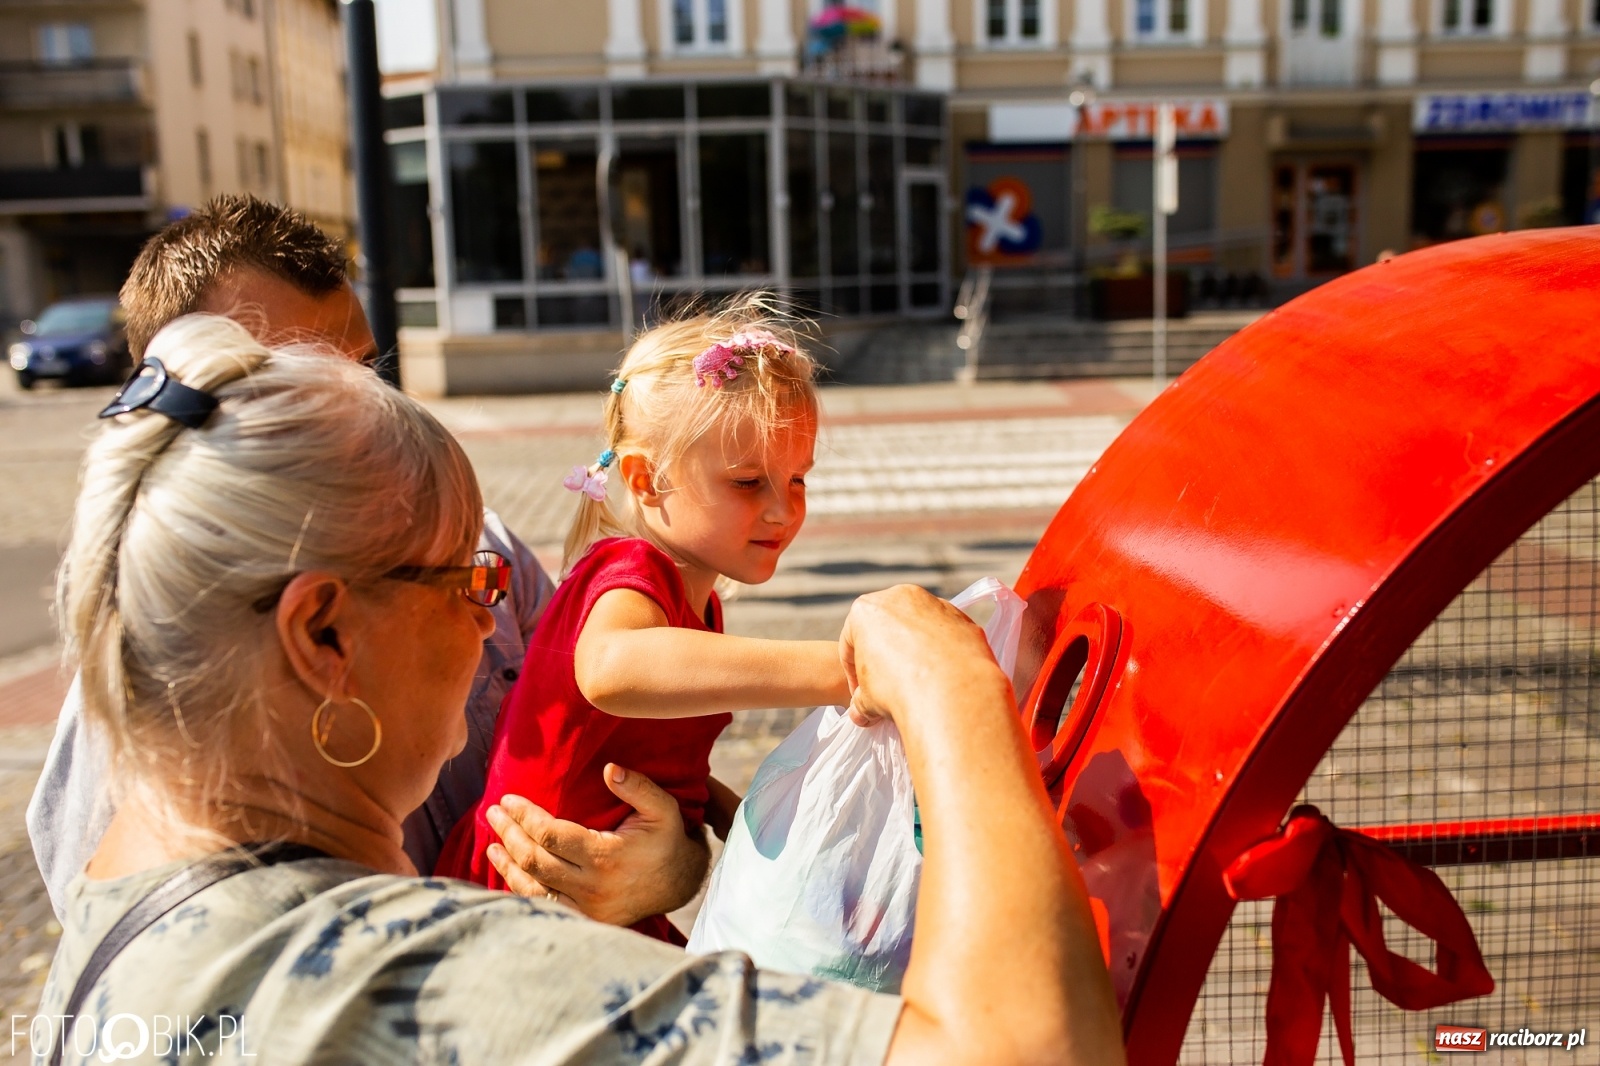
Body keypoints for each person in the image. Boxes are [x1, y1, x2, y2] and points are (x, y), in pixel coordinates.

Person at [37, 314, 1125, 1064]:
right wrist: (938, 679)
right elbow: (1028, 1049)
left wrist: (703, 852)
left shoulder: (117, 917)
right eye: (467, 578)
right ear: (323, 632)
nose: (497, 619)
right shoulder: (439, 980)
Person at [26, 195, 709, 928]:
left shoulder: (491, 556)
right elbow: (146, 983)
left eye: (362, 371)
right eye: (299, 385)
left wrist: (668, 867)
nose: (362, 409)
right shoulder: (148, 686)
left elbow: (640, 770)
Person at [433, 303, 848, 943]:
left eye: (797, 478)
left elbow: (637, 749)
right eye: (747, 483)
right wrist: (839, 668)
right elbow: (611, 669)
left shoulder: (698, 601)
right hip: (520, 897)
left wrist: (726, 812)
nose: (781, 509)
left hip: (587, 895)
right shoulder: (629, 572)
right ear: (647, 481)